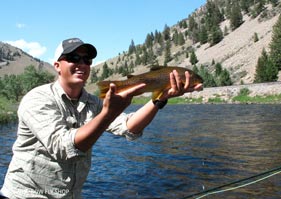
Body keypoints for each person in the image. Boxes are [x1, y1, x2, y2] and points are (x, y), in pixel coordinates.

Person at [0, 38, 202, 198]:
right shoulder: (37, 98)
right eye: (73, 58)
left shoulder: (93, 103)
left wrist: (159, 100)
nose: (81, 64)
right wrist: (107, 114)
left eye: (86, 60)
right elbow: (63, 147)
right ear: (57, 66)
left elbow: (129, 127)